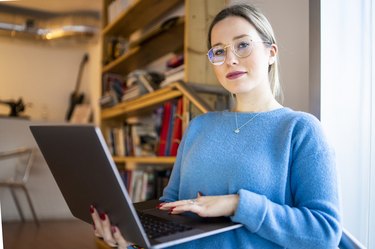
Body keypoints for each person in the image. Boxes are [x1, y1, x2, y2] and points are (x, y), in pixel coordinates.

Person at [91, 4, 342, 249]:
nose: (230, 60)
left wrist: (237, 204)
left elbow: (324, 233)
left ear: (271, 52)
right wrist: (132, 240)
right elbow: (171, 208)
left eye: (242, 45)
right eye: (219, 51)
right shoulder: (198, 126)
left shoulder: (300, 129)